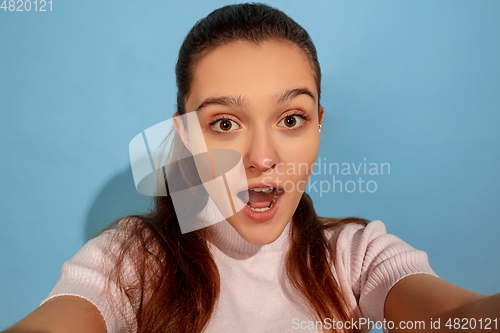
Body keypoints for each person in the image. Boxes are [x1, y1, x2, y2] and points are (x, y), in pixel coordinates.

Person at [4, 3, 498, 333]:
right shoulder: (130, 260)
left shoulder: (354, 257)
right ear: (186, 136)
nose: (262, 158)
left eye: (290, 118)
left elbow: (458, 316)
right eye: (224, 123)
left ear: (318, 124)